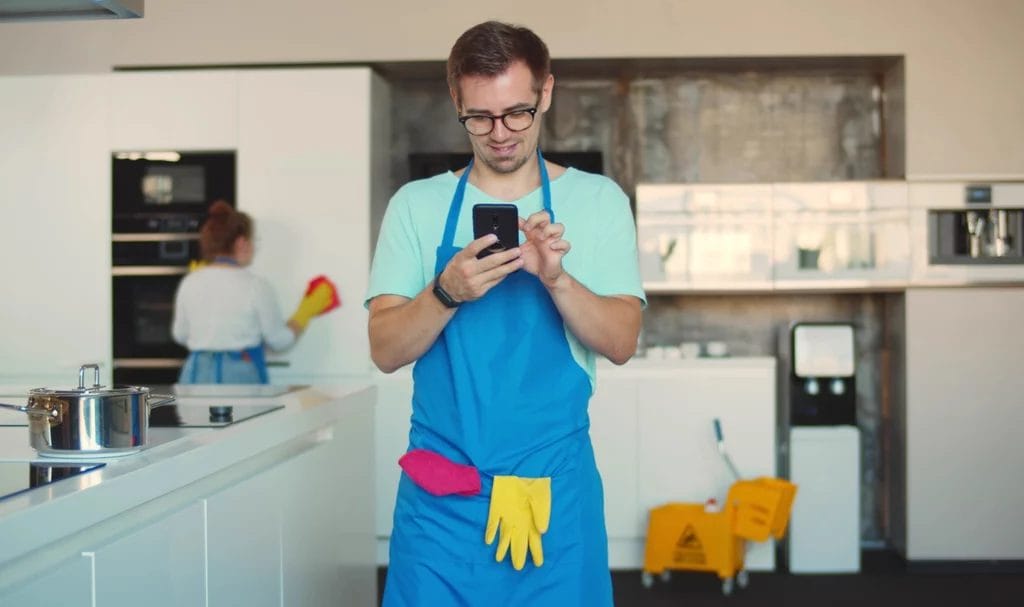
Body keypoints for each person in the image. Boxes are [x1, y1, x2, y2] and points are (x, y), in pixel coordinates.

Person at [366, 20, 645, 606]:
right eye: (480, 118)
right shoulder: (416, 207)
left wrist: (556, 279)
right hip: (440, 500)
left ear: (546, 92)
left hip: (552, 494)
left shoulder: (598, 202)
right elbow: (386, 350)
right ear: (457, 103)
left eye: (517, 112)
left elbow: (621, 342)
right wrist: (446, 291)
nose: (500, 134)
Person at [172, 200, 337, 384]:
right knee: (242, 415)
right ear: (242, 242)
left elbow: (180, 334)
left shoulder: (191, 282)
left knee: (198, 415)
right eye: (253, 240)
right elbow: (279, 340)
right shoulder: (255, 285)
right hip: (239, 377)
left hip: (195, 376)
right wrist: (305, 311)